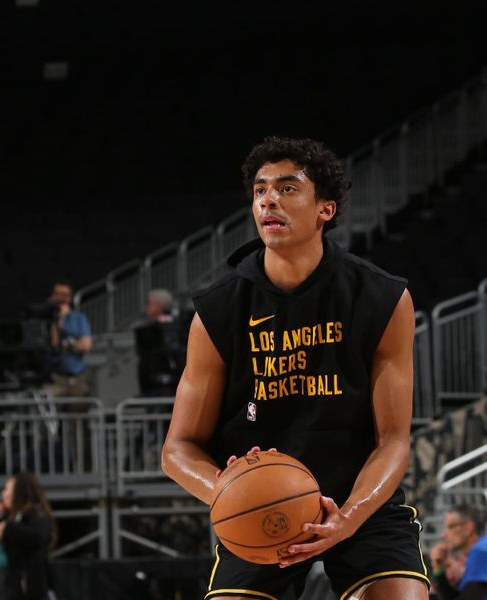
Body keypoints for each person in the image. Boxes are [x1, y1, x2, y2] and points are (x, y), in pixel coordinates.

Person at [161, 137, 429, 600]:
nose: (268, 199)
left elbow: (394, 441)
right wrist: (233, 493)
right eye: (260, 190)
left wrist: (351, 515)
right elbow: (178, 449)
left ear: (325, 209)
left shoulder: (381, 298)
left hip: (356, 499)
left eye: (287, 188)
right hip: (263, 506)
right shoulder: (219, 311)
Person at [0, 472, 56, 600]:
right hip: (4, 584)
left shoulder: (35, 513)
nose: (3, 494)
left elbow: (38, 537)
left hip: (29, 588)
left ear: (19, 492)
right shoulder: (5, 517)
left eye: (6, 489)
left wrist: (8, 528)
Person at [44, 280, 92, 398]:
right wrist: (59, 319)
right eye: (57, 294)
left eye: (64, 295)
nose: (60, 299)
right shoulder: (46, 320)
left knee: (78, 413)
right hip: (54, 377)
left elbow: (86, 345)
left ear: (70, 298)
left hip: (76, 376)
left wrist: (66, 345)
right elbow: (54, 343)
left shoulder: (79, 318)